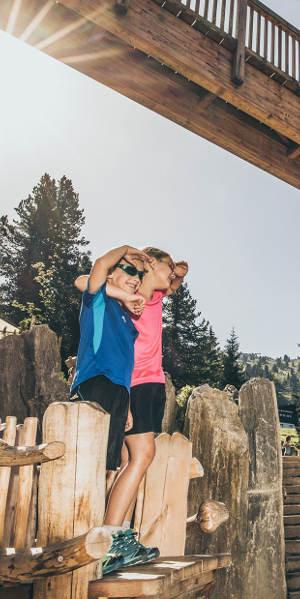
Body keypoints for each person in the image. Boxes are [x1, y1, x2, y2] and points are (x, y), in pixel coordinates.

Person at [75, 247, 187, 574]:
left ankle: (121, 535)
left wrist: (178, 275)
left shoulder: (142, 303)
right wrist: (128, 259)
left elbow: (170, 286)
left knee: (130, 462)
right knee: (142, 455)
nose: (135, 278)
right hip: (127, 383)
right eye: (167, 265)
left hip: (137, 385)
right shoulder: (126, 300)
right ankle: (111, 538)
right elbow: (87, 280)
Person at [69, 244, 154, 574]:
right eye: (129, 270)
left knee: (112, 465)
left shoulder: (126, 317)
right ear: (112, 273)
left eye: (140, 275)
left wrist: (127, 403)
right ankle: (92, 549)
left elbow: (125, 365)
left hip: (117, 391)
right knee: (92, 469)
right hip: (97, 384)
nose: (136, 278)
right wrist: (129, 250)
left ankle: (111, 542)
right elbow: (93, 270)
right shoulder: (99, 300)